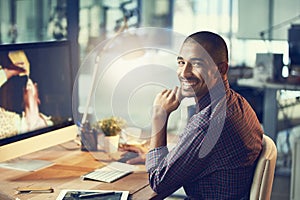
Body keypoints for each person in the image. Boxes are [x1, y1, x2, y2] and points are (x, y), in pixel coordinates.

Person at [144, 31, 264, 199]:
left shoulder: (208, 124)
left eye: (196, 64)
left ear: (221, 69)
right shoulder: (236, 101)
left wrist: (159, 116)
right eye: (181, 62)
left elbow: (158, 182)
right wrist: (162, 157)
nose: (184, 72)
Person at [0, 56, 53, 139]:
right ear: (22, 102)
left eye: (35, 84)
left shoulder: (55, 123)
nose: (27, 86)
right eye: (23, 89)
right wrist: (8, 72)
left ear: (38, 99)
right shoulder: (8, 123)